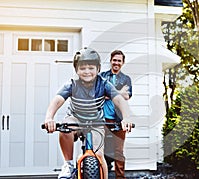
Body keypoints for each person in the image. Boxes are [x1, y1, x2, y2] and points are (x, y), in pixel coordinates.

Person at [43, 47, 133, 179]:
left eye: (91, 68)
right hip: (76, 119)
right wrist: (49, 117)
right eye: (82, 68)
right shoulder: (72, 84)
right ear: (76, 70)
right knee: (65, 127)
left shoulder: (104, 84)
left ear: (98, 69)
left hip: (96, 123)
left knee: (100, 156)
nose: (87, 72)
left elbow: (119, 100)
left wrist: (126, 118)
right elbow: (57, 100)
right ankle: (68, 165)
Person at [101, 50, 132, 179]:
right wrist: (118, 92)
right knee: (100, 150)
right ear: (111, 61)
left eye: (119, 61)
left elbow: (127, 95)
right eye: (114, 60)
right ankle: (101, 175)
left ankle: (120, 177)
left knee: (118, 151)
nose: (116, 63)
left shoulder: (126, 79)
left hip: (119, 120)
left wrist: (110, 93)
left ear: (123, 63)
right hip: (103, 119)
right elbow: (99, 93)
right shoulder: (102, 76)